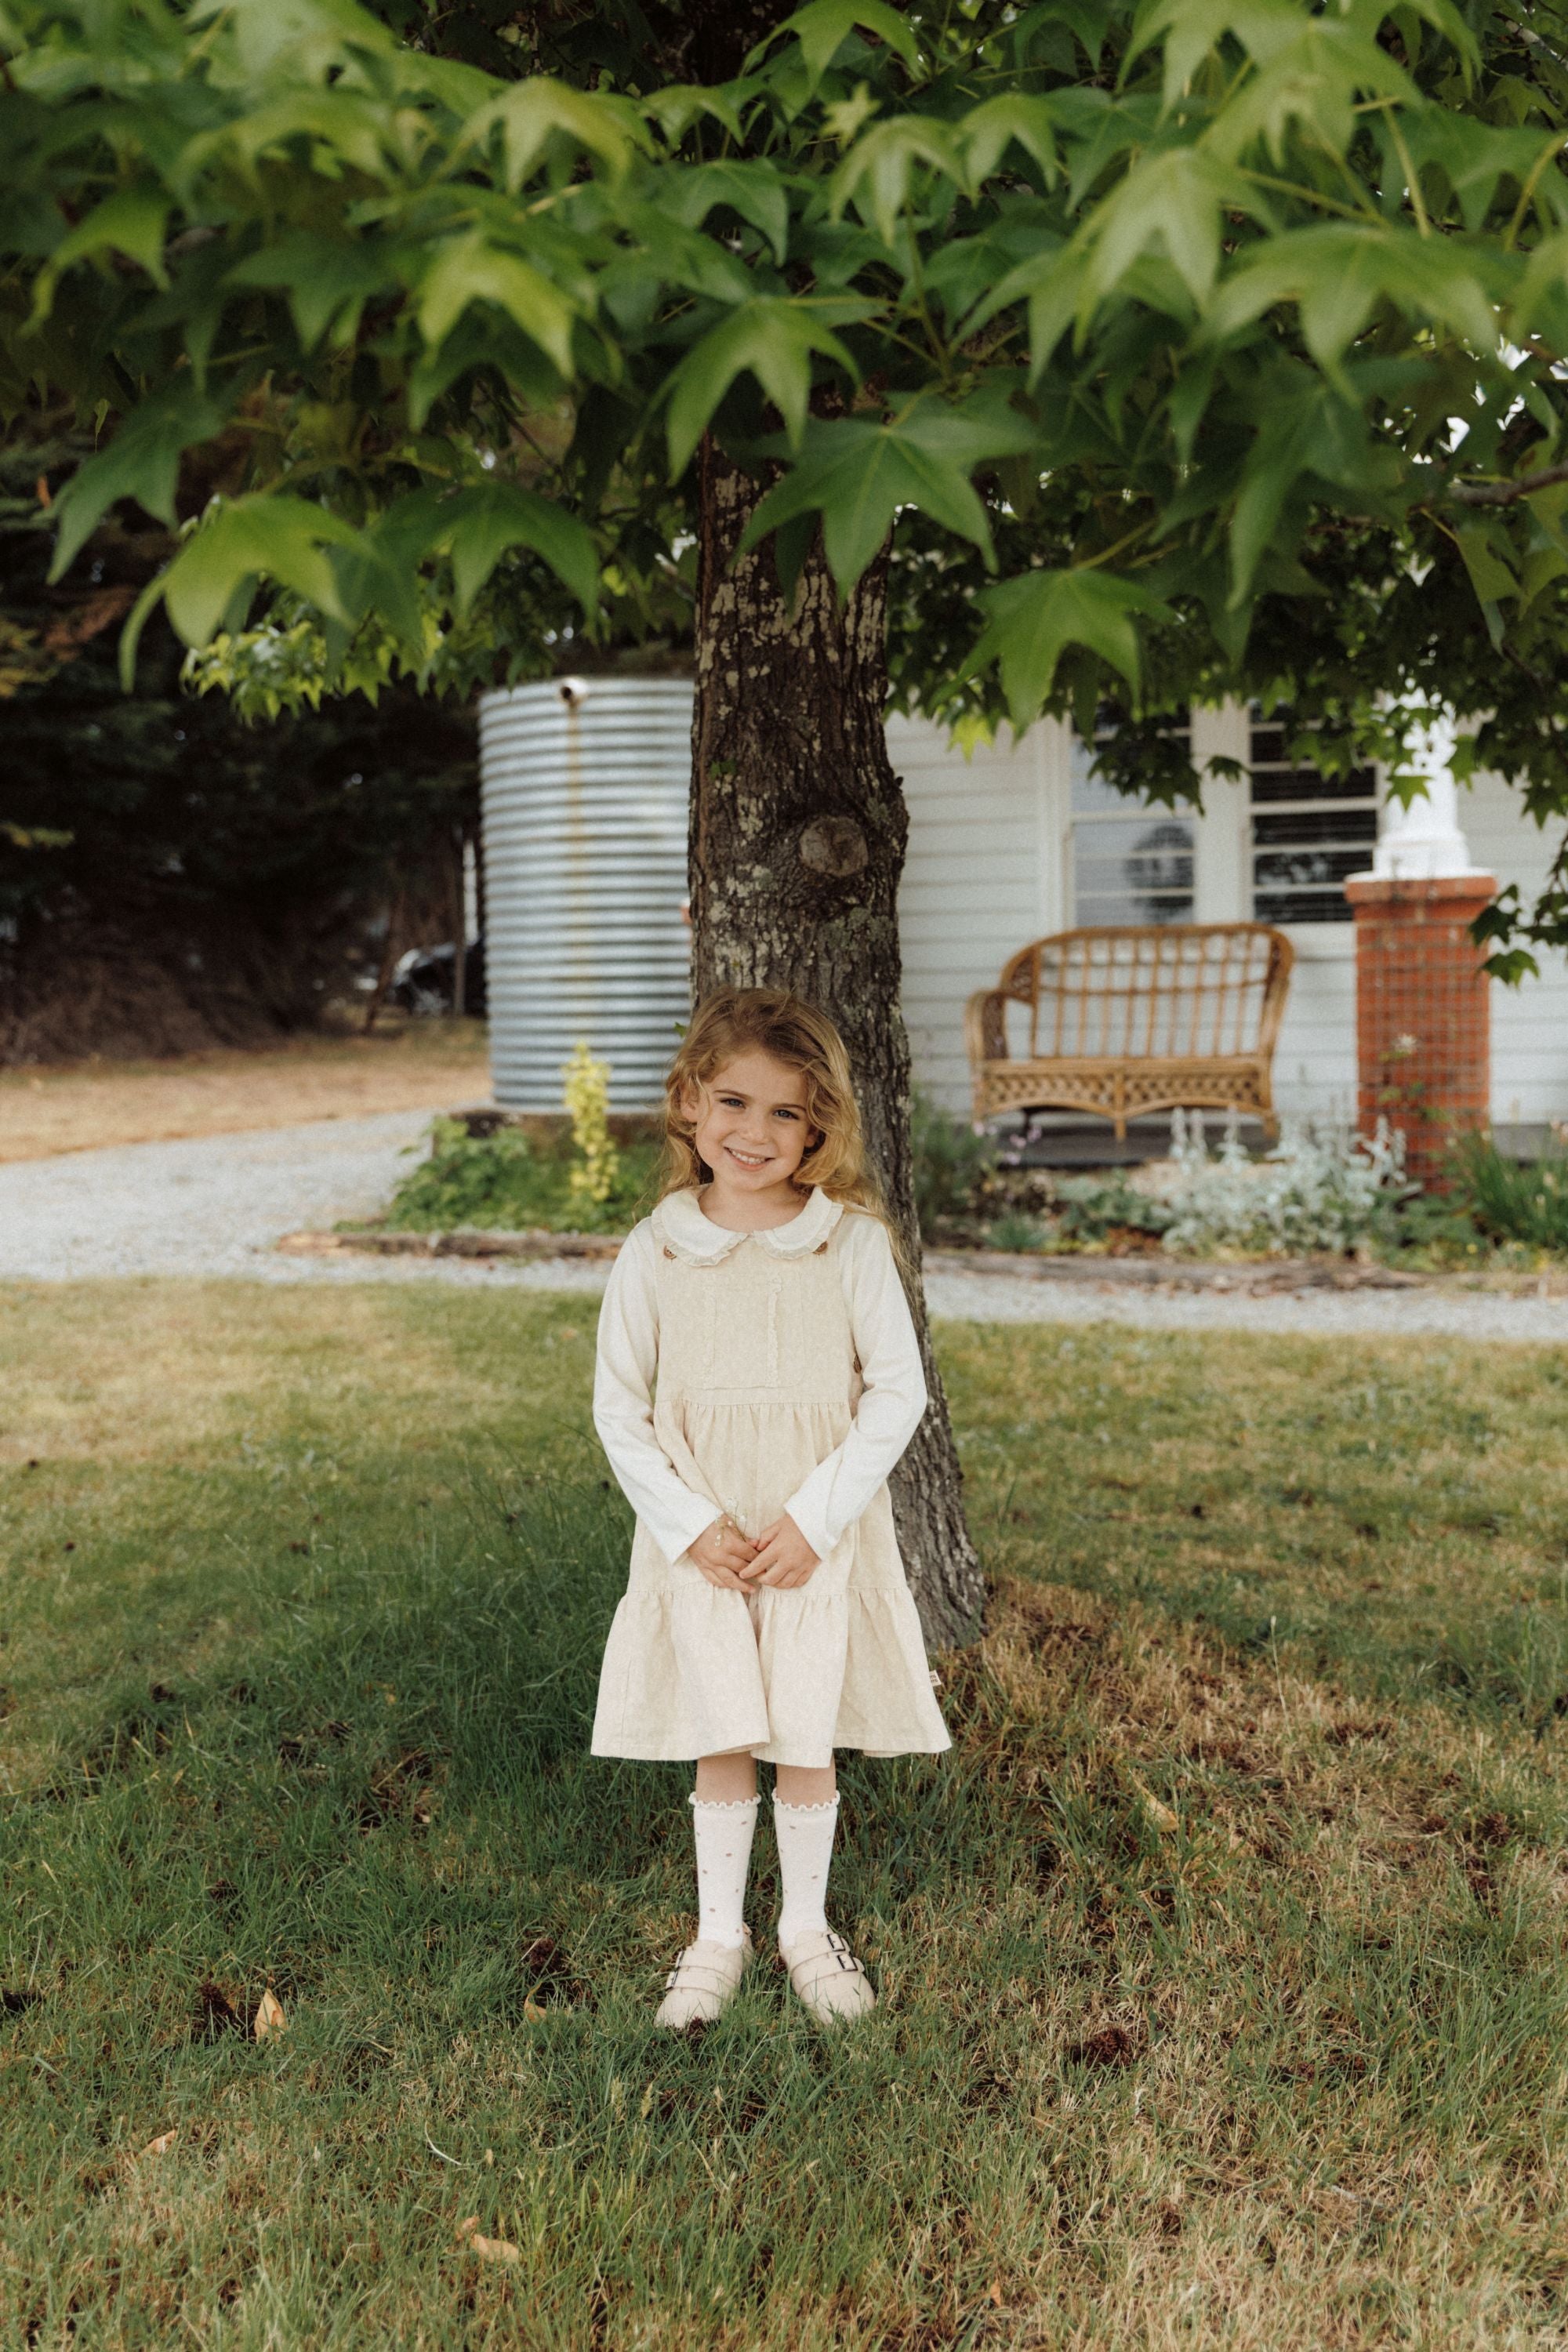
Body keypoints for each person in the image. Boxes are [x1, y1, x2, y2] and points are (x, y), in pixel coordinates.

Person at [590, 986, 952, 2029]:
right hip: (704, 1537)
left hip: (808, 1535)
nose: (755, 1133)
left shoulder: (849, 1245)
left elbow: (897, 1391)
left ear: (819, 1127)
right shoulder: (655, 1250)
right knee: (722, 1725)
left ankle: (803, 1923)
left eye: (786, 1114)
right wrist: (690, 1526)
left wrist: (815, 1520)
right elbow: (620, 1408)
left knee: (803, 1728)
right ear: (691, 1104)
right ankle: (718, 1933)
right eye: (735, 1104)